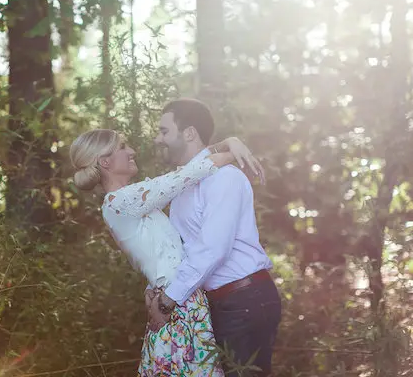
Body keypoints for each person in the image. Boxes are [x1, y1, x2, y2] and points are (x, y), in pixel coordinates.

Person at [69, 128, 263, 376]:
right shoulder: (120, 201)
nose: (132, 151)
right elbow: (190, 173)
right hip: (176, 305)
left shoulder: (132, 200)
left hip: (179, 300)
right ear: (105, 162)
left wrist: (228, 142)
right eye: (123, 147)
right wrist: (232, 150)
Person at [147, 98, 281, 377]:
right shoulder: (182, 182)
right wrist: (156, 285)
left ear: (189, 133)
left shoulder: (224, 178)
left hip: (245, 300)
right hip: (220, 302)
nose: (157, 138)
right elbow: (183, 248)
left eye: (164, 131)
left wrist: (167, 301)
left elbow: (212, 248)